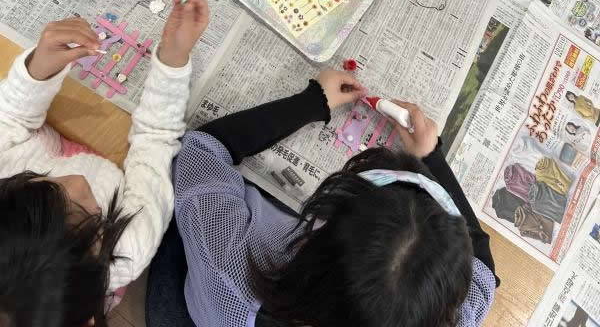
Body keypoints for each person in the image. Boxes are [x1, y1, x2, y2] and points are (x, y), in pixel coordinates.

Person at [146, 81, 498, 327]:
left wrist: (312, 102)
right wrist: (430, 157)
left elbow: (204, 147)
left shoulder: (229, 260)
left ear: (313, 242)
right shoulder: (454, 314)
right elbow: (482, 264)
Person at [0, 0, 208, 327]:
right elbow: (155, 140)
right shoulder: (130, 246)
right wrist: (173, 59)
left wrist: (38, 69)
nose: (77, 182)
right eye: (90, 218)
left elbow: (9, 117)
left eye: (41, 185)